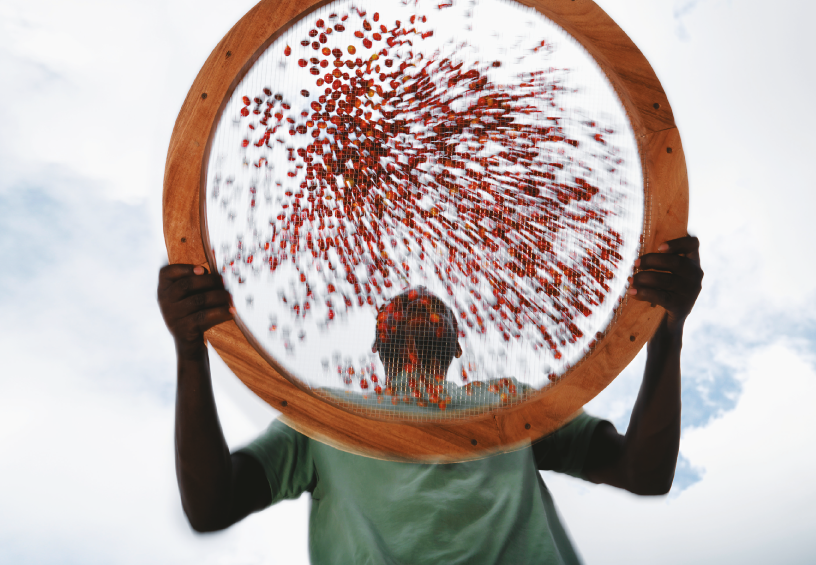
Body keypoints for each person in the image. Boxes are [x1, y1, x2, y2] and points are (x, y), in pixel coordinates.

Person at [157, 236, 703, 564]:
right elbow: (211, 506)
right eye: (400, 309)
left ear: (457, 344)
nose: (418, 305)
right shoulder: (328, 416)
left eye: (434, 309)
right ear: (376, 347)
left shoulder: (504, 400)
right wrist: (190, 350)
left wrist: (667, 331)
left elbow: (643, 472)